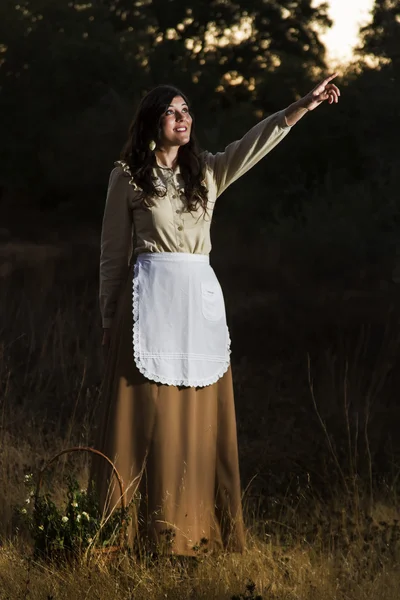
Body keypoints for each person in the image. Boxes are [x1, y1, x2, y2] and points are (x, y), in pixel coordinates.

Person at [90, 74, 341, 557]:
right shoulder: (126, 176)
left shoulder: (206, 172)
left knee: (201, 421)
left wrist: (304, 105)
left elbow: (255, 143)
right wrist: (107, 320)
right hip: (146, 308)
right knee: (140, 419)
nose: (184, 118)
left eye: (187, 111)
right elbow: (111, 256)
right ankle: (124, 537)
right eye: (173, 112)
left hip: (198, 309)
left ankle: (196, 535)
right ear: (151, 122)